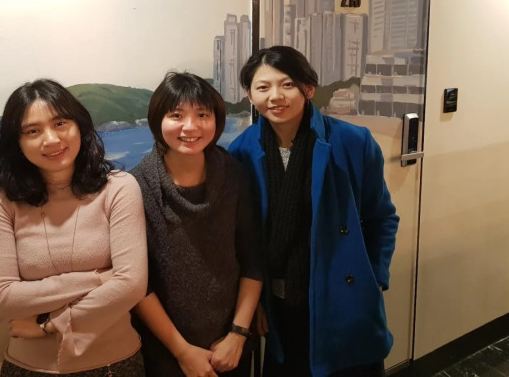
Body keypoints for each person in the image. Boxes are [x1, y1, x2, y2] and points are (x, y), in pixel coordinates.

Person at [228, 46, 400, 377]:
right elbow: (245, 240)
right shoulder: (241, 152)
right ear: (250, 95)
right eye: (263, 87)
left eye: (287, 84)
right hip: (280, 305)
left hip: (343, 300)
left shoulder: (352, 141)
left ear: (308, 88)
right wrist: (257, 301)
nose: (275, 97)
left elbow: (381, 218)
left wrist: (374, 279)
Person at [0, 78, 148, 377]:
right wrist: (102, 277)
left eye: (60, 123)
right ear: (17, 142)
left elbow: (132, 285)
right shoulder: (0, 203)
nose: (51, 139)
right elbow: (4, 298)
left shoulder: (119, 189)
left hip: (114, 365)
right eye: (33, 131)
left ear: (79, 126)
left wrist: (48, 325)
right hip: (27, 368)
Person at [130, 72, 263, 377]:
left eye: (202, 115)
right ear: (158, 121)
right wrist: (182, 351)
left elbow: (253, 261)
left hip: (231, 346)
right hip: (164, 351)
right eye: (177, 115)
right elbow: (138, 283)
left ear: (216, 120)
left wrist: (238, 334)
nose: (190, 127)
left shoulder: (235, 175)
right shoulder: (136, 187)